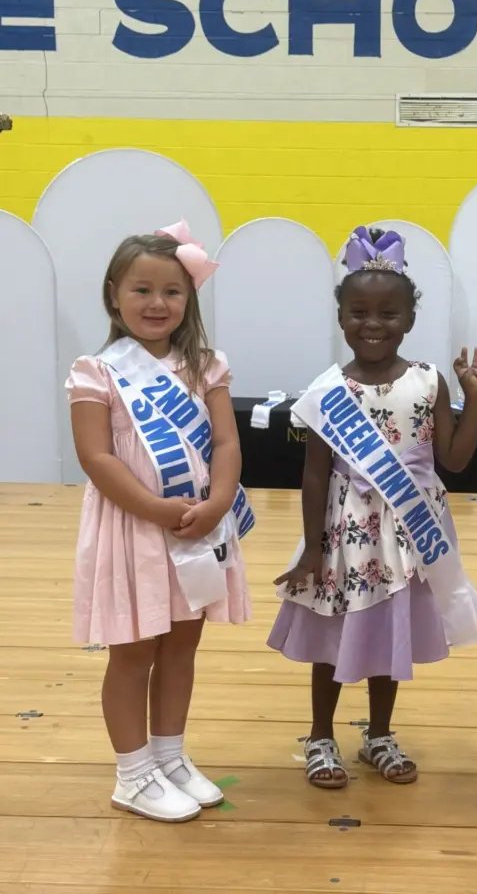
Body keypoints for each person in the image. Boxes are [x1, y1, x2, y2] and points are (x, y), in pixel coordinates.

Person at [267, 226, 477, 788]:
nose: (373, 324)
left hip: (409, 531)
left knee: (390, 631)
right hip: (345, 531)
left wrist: (475, 399)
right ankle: (321, 736)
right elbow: (314, 474)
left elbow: (454, 460)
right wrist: (312, 550)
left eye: (388, 313)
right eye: (359, 312)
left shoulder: (429, 381)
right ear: (341, 318)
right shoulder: (327, 391)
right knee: (333, 632)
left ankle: (380, 735)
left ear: (409, 319)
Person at [66, 220, 253, 823]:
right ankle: (132, 774)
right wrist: (153, 508)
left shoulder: (206, 366)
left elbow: (226, 442)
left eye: (172, 291)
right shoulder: (96, 371)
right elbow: (95, 457)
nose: (156, 303)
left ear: (189, 297)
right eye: (141, 289)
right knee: (133, 650)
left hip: (196, 526)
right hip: (134, 530)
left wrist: (218, 502)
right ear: (113, 294)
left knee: (181, 644)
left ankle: (169, 757)